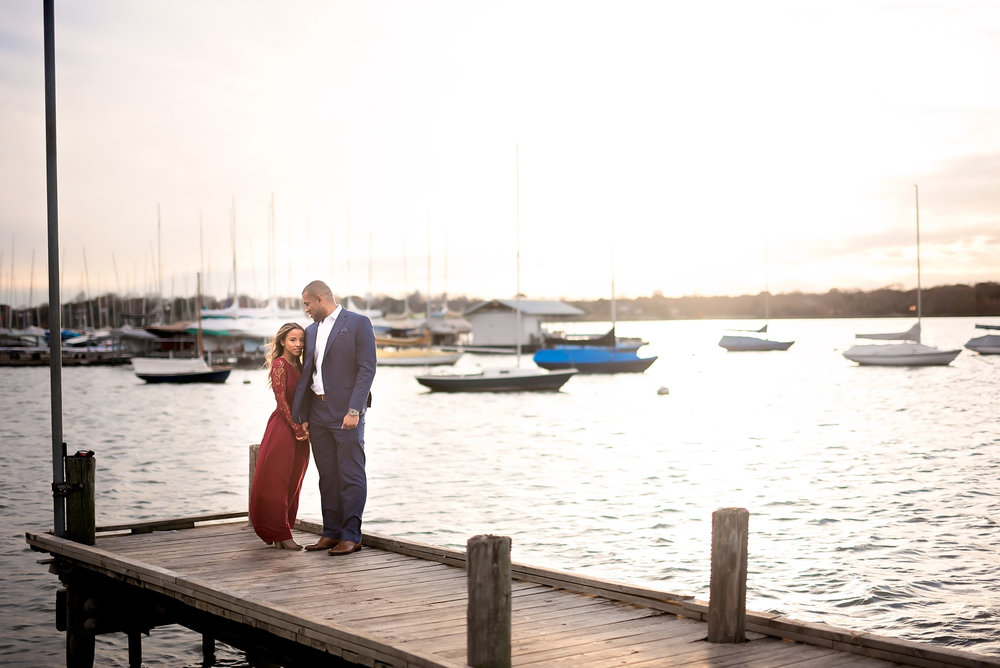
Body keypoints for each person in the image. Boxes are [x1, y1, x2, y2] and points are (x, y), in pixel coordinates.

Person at [292, 280, 377, 556]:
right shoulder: (311, 331)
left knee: (350, 474)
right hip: (317, 413)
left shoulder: (358, 323)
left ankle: (352, 536)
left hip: (346, 414)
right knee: (327, 476)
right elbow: (309, 374)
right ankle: (330, 533)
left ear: (319, 299)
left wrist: (355, 410)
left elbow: (366, 369)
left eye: (306, 304)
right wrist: (303, 414)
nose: (305, 309)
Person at [249, 322, 311, 550]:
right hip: (283, 429)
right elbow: (281, 401)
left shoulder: (302, 366)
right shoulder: (280, 364)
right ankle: (281, 534)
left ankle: (283, 531)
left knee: (293, 482)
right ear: (283, 341)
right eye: (293, 340)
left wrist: (306, 425)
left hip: (302, 430)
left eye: (301, 340)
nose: (298, 344)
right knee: (277, 481)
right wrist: (296, 428)